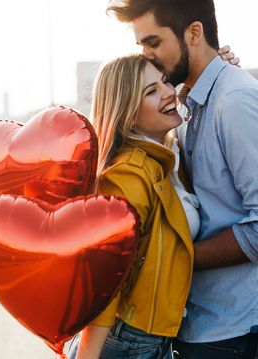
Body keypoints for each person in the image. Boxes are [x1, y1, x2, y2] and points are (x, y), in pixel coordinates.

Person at [103, 0, 258, 358]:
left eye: (153, 42)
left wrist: (174, 258)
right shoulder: (188, 104)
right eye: (141, 46)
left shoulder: (233, 100)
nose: (148, 56)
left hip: (233, 331)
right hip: (197, 323)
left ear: (193, 33)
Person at [69, 53, 199, 359]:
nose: (168, 91)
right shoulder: (129, 175)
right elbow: (105, 280)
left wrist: (218, 67)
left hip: (148, 341)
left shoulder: (164, 158)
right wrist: (88, 355)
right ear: (128, 114)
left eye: (165, 81)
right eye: (150, 91)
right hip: (124, 343)